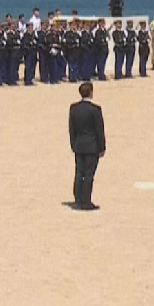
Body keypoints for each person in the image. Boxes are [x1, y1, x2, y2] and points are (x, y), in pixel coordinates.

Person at [69, 82, 106, 211]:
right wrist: (102, 147)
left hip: (79, 145)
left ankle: (78, 198)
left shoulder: (74, 108)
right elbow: (99, 130)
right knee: (89, 174)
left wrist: (73, 144)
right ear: (91, 92)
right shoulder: (95, 110)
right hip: (92, 146)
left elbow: (71, 129)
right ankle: (86, 201)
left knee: (79, 172)